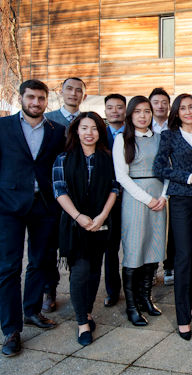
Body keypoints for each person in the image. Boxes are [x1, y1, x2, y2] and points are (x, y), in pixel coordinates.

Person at [0, 79, 66, 356]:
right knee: (8, 269)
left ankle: (31, 311)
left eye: (41, 98)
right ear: (21, 98)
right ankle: (11, 330)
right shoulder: (0, 127)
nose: (36, 103)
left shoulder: (57, 131)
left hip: (44, 207)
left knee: (40, 263)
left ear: (46, 101)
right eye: (31, 97)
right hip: (8, 207)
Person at [52, 112, 119, 346]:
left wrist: (101, 217)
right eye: (84, 128)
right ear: (76, 131)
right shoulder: (63, 158)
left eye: (94, 128)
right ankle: (82, 323)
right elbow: (59, 191)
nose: (89, 133)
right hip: (74, 224)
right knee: (79, 273)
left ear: (100, 132)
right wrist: (79, 217)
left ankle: (88, 312)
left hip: (100, 223)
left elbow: (114, 188)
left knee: (93, 272)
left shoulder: (107, 158)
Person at [153, 94, 192, 341]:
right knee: (184, 257)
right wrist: (188, 177)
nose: (188, 111)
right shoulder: (169, 136)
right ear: (176, 112)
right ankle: (182, 318)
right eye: (183, 108)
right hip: (181, 202)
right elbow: (159, 168)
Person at [112, 95, 168, 328]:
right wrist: (147, 199)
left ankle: (146, 297)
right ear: (130, 115)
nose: (143, 116)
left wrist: (164, 196)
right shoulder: (122, 140)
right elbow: (121, 176)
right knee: (135, 250)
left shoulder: (160, 138)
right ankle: (132, 305)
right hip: (136, 199)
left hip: (160, 198)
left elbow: (168, 169)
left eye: (147, 111)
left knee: (154, 247)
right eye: (138, 112)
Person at [43, 77, 88, 312]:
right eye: (69, 89)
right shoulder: (48, 120)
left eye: (78, 90)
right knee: (49, 244)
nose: (73, 93)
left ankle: (76, 289)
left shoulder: (87, 121)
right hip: (52, 193)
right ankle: (49, 289)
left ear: (84, 95)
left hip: (80, 193)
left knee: (76, 243)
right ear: (61, 92)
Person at [102, 93, 127, 308]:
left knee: (132, 245)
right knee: (110, 249)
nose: (115, 111)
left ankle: (135, 286)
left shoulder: (134, 133)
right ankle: (112, 290)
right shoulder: (98, 134)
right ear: (105, 111)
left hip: (130, 197)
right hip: (106, 200)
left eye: (119, 107)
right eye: (110, 108)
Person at [149, 87, 175, 285]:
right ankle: (150, 268)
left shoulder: (174, 126)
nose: (160, 105)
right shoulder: (142, 126)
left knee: (172, 228)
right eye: (156, 102)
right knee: (152, 228)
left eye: (164, 102)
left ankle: (169, 266)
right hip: (148, 183)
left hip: (172, 182)